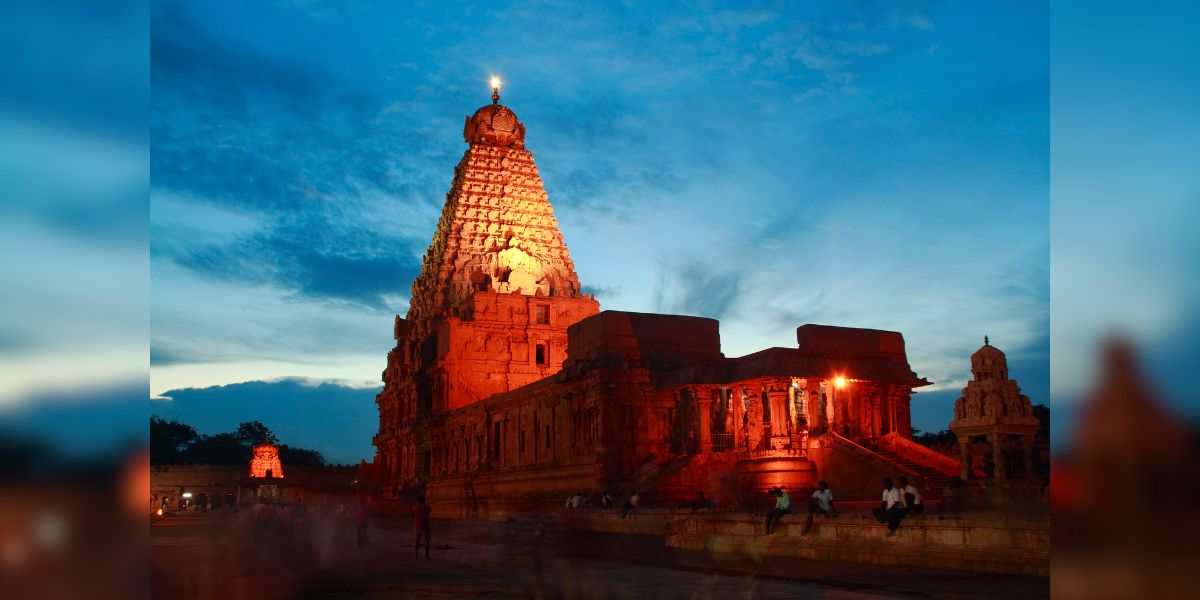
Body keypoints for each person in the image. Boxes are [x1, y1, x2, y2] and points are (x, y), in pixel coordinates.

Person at [413, 495, 432, 560]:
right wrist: (425, 504)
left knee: (416, 541)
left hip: (418, 525)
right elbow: (430, 509)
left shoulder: (416, 507)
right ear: (424, 501)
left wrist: (419, 504)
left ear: (418, 501)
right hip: (426, 525)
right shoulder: (427, 506)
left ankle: (416, 556)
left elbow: (413, 509)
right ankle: (426, 556)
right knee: (426, 542)